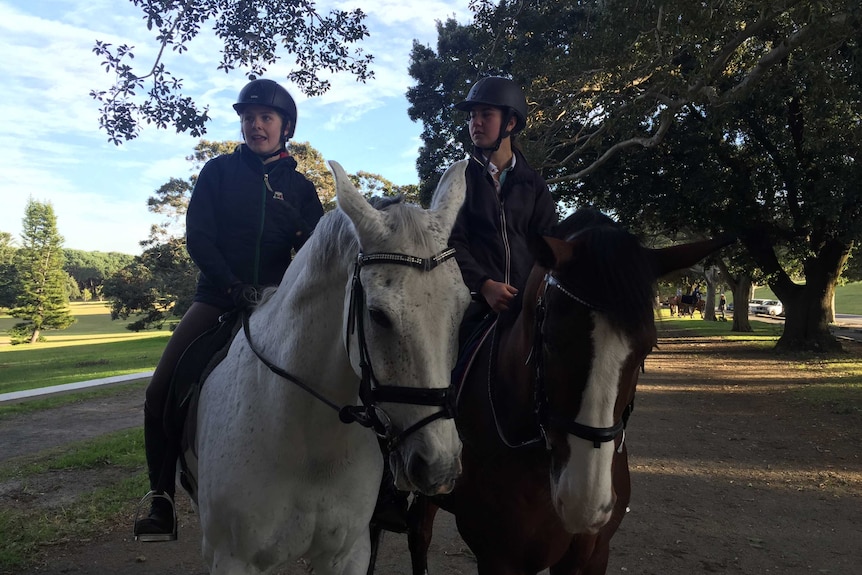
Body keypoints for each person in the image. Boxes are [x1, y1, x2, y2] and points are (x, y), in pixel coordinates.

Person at [133, 78, 325, 541]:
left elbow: (318, 249)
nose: (255, 125)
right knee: (159, 392)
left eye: (265, 118)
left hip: (280, 304)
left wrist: (299, 242)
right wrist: (232, 285)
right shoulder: (217, 172)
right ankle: (161, 499)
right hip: (217, 298)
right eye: (248, 118)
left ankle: (373, 492)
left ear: (286, 126)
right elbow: (199, 236)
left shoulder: (300, 188)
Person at [449, 76, 558, 332]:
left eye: (486, 114)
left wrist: (535, 291)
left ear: (510, 122)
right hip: (472, 306)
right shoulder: (458, 179)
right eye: (472, 116)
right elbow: (451, 243)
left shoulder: (534, 185)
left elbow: (548, 245)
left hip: (529, 310)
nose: (475, 123)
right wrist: (485, 285)